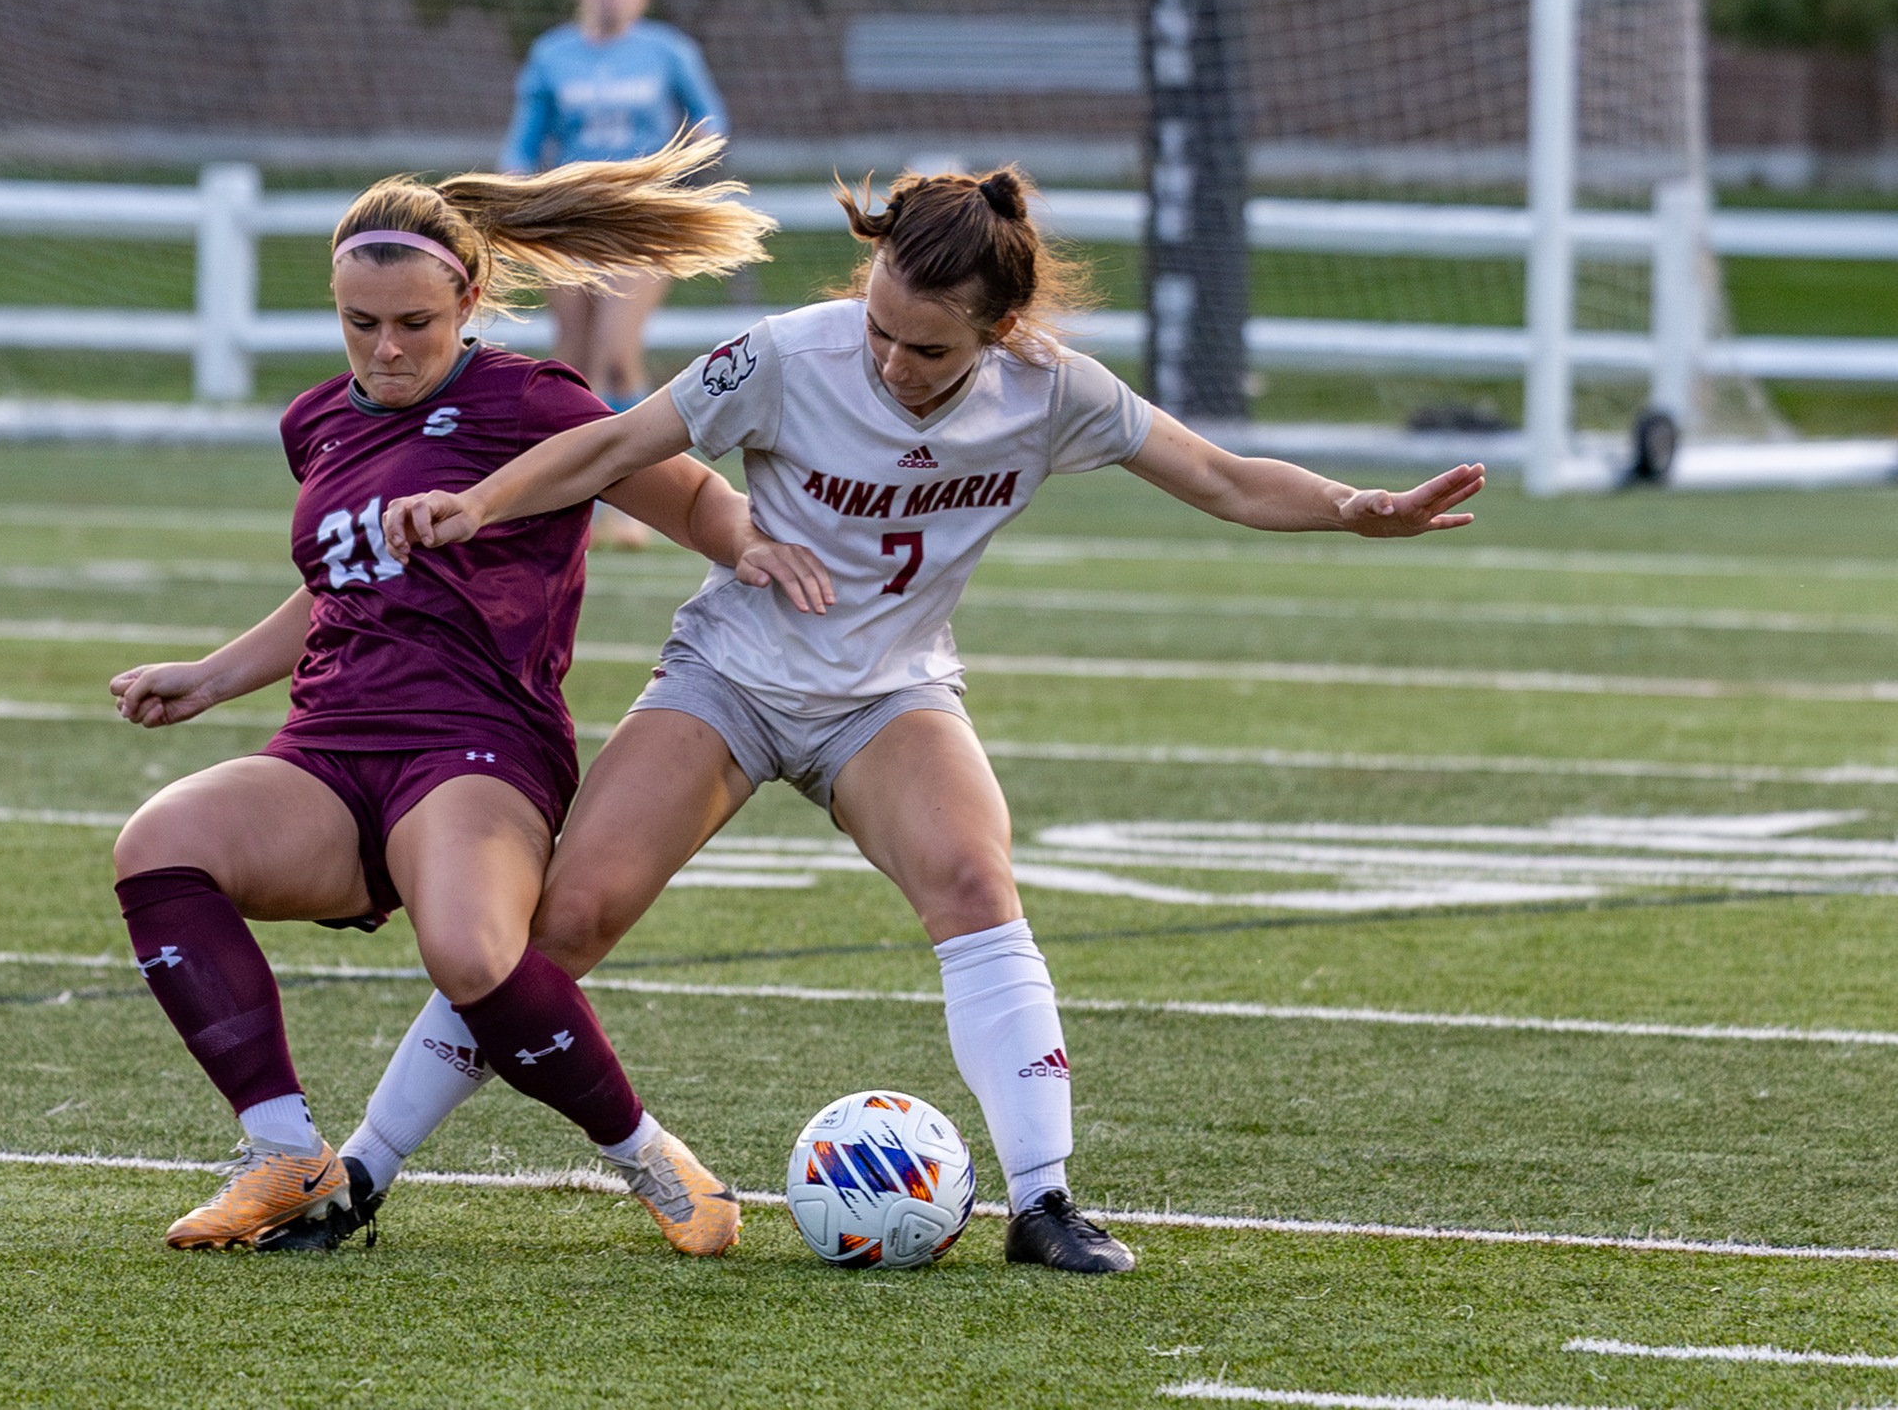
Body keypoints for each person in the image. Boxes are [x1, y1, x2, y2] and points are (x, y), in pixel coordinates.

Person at [364, 165, 1486, 1274]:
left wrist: (1351, 509)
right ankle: (358, 1172)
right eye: (879, 330)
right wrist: (478, 502)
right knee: (566, 922)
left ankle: (1043, 1203)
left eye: (929, 348)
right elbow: (615, 442)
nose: (893, 362)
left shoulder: (1052, 390)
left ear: (1000, 329)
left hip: (889, 693)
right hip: (732, 675)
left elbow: (1225, 480)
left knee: (971, 879)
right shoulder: (787, 352)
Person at [105, 134, 800, 1257]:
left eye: (412, 325)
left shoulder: (533, 400)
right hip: (329, 746)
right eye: (358, 324)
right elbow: (335, 586)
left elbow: (692, 499)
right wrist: (214, 675)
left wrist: (757, 551)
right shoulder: (315, 421)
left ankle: (649, 1159)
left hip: (475, 747)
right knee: (159, 845)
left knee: (471, 953)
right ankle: (285, 1152)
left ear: (469, 298)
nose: (384, 349)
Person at [501, 0, 731, 547]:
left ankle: (639, 503)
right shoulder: (552, 54)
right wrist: (517, 198)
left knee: (617, 351)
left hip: (639, 220)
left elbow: (712, 121)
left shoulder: (667, 52)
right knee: (571, 362)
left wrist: (670, 180)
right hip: (572, 220)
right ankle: (562, 501)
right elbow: (524, 143)